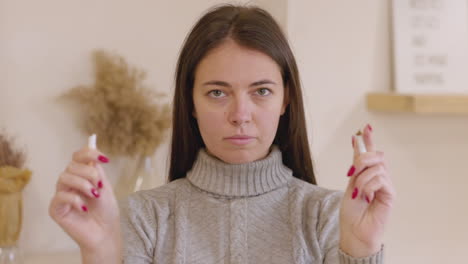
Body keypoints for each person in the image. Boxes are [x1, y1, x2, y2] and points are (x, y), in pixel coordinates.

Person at [49, 4, 395, 264]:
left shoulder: (328, 216)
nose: (240, 116)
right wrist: (101, 251)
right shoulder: (145, 218)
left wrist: (362, 250)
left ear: (285, 99)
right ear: (191, 102)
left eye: (261, 91)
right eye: (218, 93)